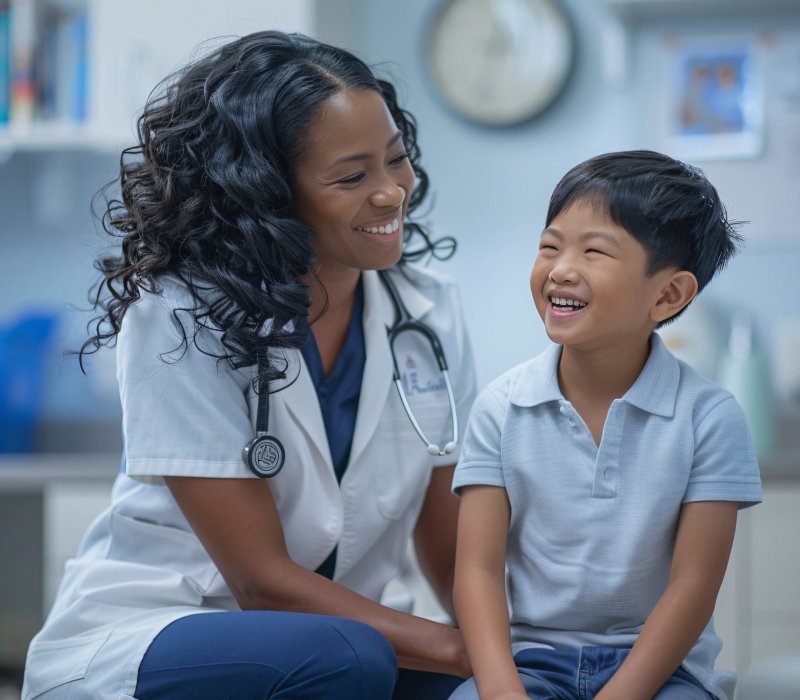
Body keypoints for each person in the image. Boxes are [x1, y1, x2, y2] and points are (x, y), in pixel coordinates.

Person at [22, 30, 477, 700]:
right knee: (351, 658)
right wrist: (464, 650)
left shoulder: (429, 313)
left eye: (396, 159)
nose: (391, 193)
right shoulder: (180, 318)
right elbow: (261, 582)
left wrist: (512, 645)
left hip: (345, 637)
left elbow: (448, 549)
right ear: (265, 191)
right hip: (168, 628)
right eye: (352, 176)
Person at [449, 150, 762, 700]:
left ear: (668, 295)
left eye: (594, 251)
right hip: (532, 666)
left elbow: (693, 587)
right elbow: (477, 569)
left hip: (663, 673)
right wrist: (500, 690)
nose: (561, 268)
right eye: (550, 246)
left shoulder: (711, 418)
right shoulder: (500, 407)